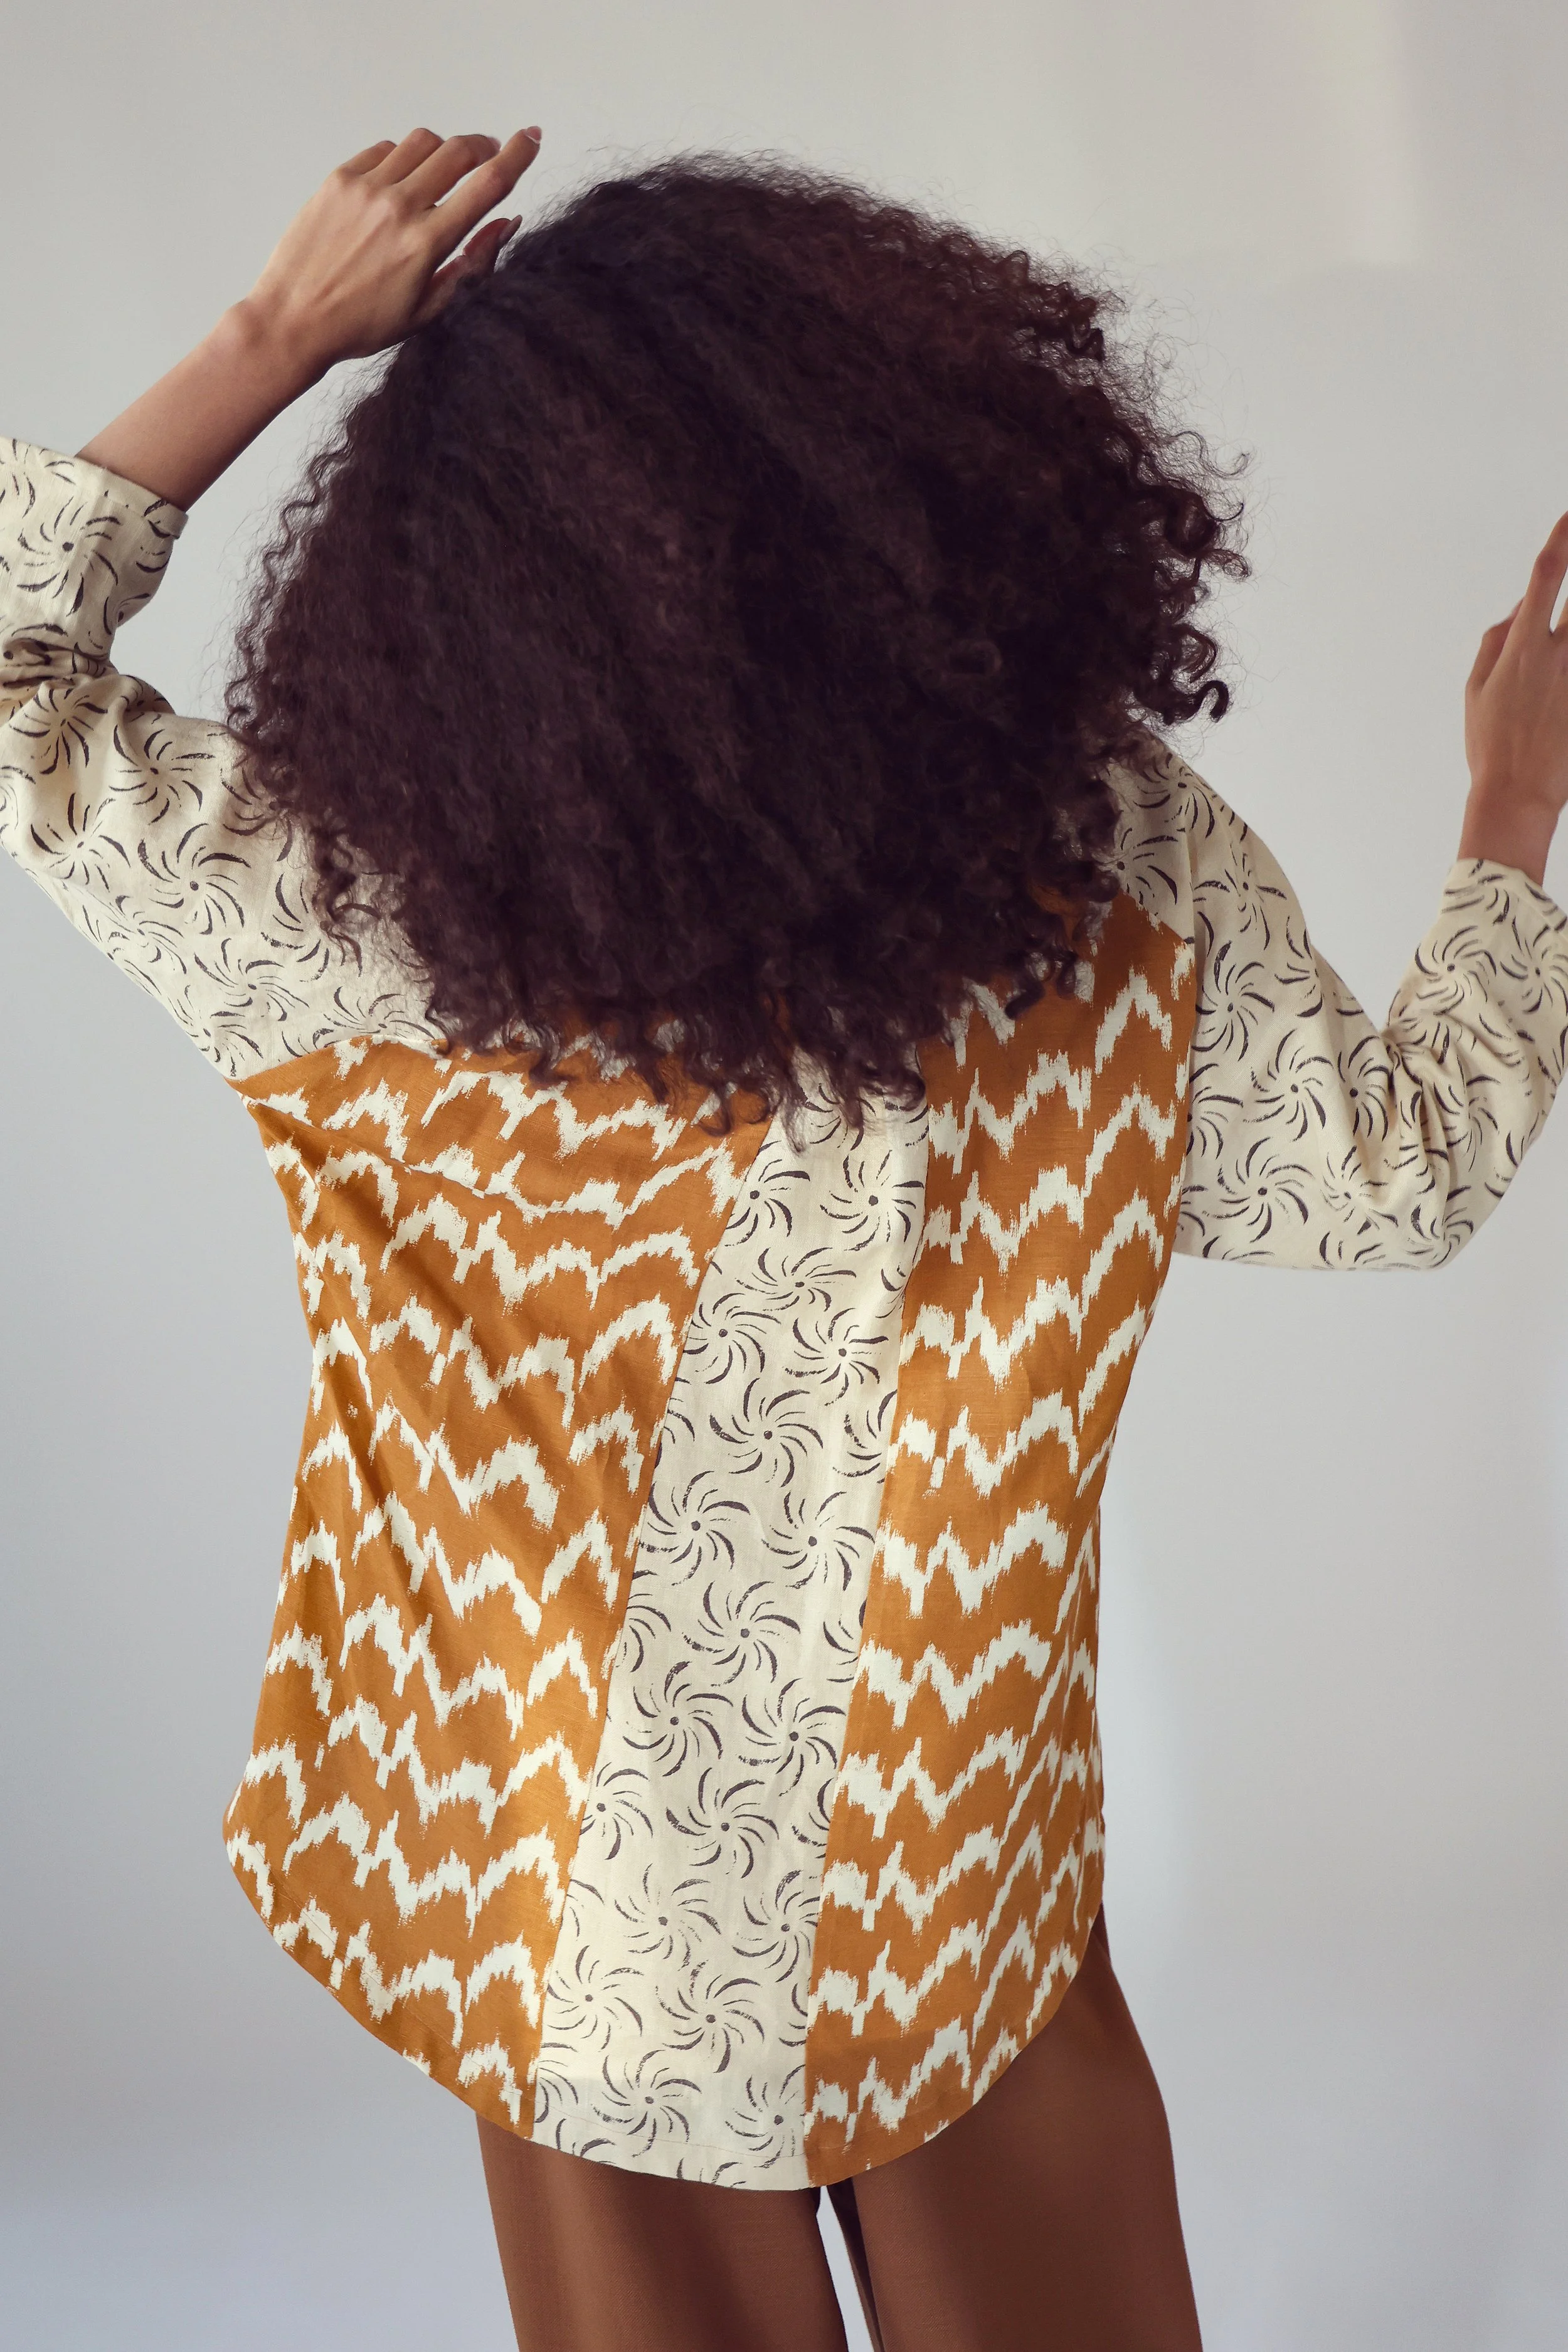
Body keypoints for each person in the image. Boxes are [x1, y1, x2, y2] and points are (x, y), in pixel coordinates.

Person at [4, 122, 1568, 2352]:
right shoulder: (1105, 868)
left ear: (451, 573)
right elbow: (1393, 1175)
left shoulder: (361, 924)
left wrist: (271, 335)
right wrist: (1509, 809)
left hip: (577, 1930)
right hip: (959, 1885)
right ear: (908, 469)